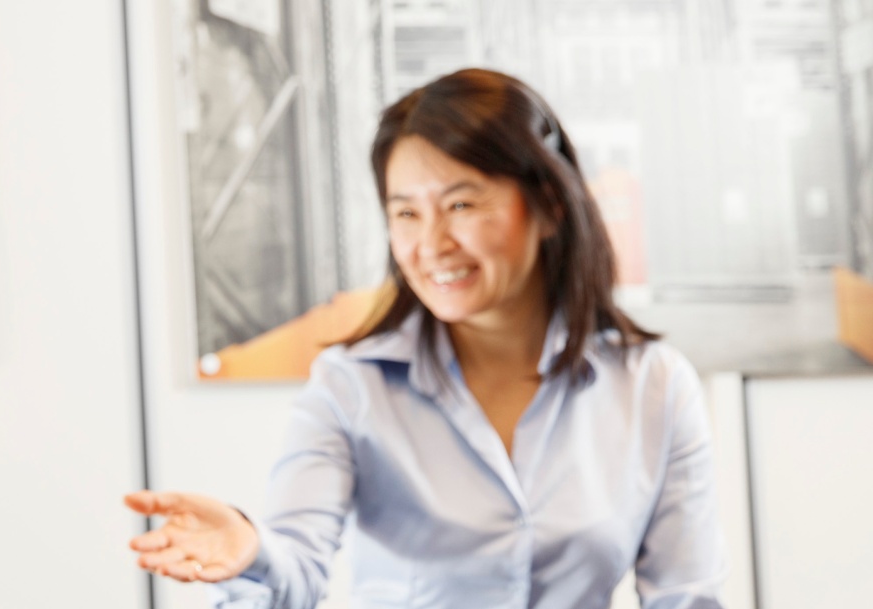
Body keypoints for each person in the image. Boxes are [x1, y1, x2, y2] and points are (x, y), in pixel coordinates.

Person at [126, 68, 724, 608]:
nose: (432, 245)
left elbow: (687, 597)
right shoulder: (350, 386)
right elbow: (295, 572)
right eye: (406, 214)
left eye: (460, 204)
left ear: (548, 204)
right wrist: (251, 550)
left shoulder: (655, 385)